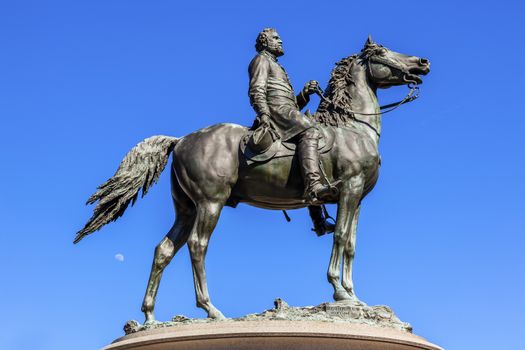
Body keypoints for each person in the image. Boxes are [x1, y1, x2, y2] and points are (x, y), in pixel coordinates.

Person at [248, 28, 335, 235]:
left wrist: (305, 94)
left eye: (279, 38)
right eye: (275, 38)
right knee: (311, 131)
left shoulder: (277, 65)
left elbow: (291, 103)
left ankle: (319, 221)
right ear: (265, 42)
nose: (280, 41)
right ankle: (314, 187)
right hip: (276, 112)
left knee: (314, 147)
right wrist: (264, 115)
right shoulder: (261, 60)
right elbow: (257, 90)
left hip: (286, 110)